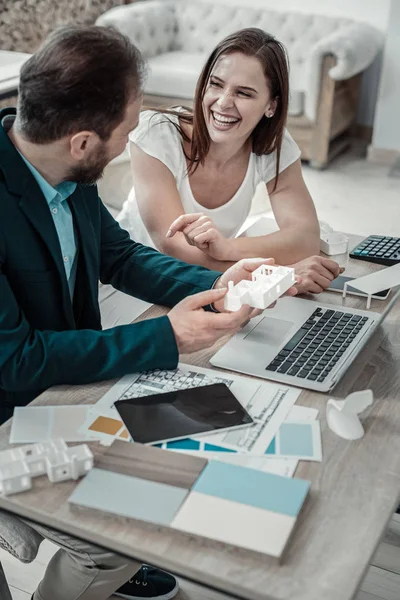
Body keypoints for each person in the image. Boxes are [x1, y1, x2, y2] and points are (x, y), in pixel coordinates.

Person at [0, 26, 299, 600]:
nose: (134, 138)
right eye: (127, 130)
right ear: (85, 143)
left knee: (190, 469)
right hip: (12, 405)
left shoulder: (61, 161)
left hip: (59, 391)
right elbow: (15, 362)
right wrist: (168, 335)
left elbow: (118, 255)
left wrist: (218, 280)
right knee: (114, 544)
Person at [118, 27, 343, 294]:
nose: (223, 103)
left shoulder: (272, 144)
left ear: (271, 106)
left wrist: (228, 247)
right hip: (135, 282)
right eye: (216, 84)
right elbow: (176, 250)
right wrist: (279, 274)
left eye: (244, 93)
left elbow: (304, 239)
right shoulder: (157, 133)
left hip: (213, 283)